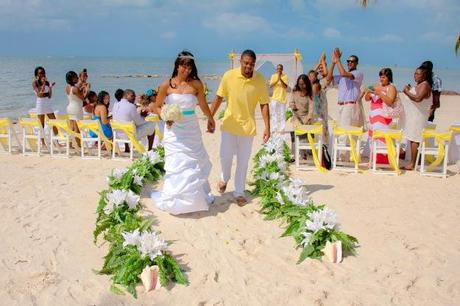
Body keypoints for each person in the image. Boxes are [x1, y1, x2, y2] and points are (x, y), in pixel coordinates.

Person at [150, 51, 215, 215]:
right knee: (176, 163)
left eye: (189, 66)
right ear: (177, 66)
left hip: (191, 128)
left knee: (193, 162)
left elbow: (202, 105)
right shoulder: (166, 85)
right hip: (173, 130)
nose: (186, 70)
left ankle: (195, 199)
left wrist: (210, 118)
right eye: (183, 66)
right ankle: (174, 199)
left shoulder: (197, 85)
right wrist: (165, 115)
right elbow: (156, 106)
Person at [210, 49, 270, 206]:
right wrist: (210, 117)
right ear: (240, 62)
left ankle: (239, 192)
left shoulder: (260, 79)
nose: (248, 66)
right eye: (246, 63)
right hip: (229, 125)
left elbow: (264, 104)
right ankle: (224, 178)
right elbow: (218, 97)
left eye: (251, 64)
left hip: (248, 128)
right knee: (225, 157)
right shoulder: (228, 76)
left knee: (243, 161)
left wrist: (267, 127)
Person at [325, 48, 364, 157]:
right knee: (340, 130)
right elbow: (328, 79)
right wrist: (333, 63)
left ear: (356, 63)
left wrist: (338, 60)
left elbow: (343, 72)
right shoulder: (342, 76)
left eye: (352, 61)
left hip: (350, 105)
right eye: (348, 61)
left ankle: (343, 157)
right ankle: (341, 156)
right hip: (341, 105)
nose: (349, 63)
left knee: (345, 132)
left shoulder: (358, 73)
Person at [400, 65, 432, 170]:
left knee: (415, 139)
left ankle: (413, 163)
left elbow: (418, 98)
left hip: (418, 117)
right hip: (414, 116)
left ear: (424, 75)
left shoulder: (425, 84)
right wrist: (410, 90)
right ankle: (412, 161)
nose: (415, 75)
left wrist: (406, 92)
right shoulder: (419, 84)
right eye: (415, 73)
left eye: (418, 74)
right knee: (412, 138)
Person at [364, 68, 397, 164]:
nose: (381, 79)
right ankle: (373, 159)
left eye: (384, 77)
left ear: (388, 77)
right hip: (373, 116)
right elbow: (367, 99)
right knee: (373, 137)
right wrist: (368, 92)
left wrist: (379, 94)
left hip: (383, 117)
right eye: (380, 76)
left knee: (382, 138)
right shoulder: (376, 86)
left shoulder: (391, 88)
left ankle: (382, 159)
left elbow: (390, 102)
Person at [289, 74, 314, 158]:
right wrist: (293, 106)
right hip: (296, 117)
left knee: (307, 138)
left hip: (306, 118)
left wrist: (308, 119)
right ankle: (296, 154)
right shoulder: (294, 92)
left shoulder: (310, 94)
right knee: (295, 135)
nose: (301, 86)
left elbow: (311, 108)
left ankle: (307, 154)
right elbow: (291, 102)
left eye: (303, 84)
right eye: (300, 84)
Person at [32, 66, 58, 140]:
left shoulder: (47, 82)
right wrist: (43, 84)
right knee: (41, 124)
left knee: (54, 122)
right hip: (40, 104)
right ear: (36, 74)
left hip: (47, 103)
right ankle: (43, 143)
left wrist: (50, 87)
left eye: (43, 72)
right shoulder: (35, 83)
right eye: (40, 73)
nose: (42, 74)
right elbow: (39, 94)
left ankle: (57, 141)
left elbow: (49, 96)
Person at [65, 71, 85, 145]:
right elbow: (83, 98)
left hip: (70, 107)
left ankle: (70, 144)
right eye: (76, 77)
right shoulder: (75, 88)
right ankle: (78, 144)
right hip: (76, 108)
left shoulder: (67, 87)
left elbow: (74, 94)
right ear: (72, 79)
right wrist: (86, 90)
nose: (77, 78)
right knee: (77, 128)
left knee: (72, 127)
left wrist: (80, 88)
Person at [269, 64, 289, 133]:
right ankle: (274, 128)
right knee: (274, 113)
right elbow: (271, 85)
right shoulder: (273, 76)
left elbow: (285, 86)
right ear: (276, 69)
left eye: (280, 69)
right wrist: (277, 79)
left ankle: (282, 128)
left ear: (282, 69)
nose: (279, 70)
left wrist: (280, 79)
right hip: (274, 98)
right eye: (278, 69)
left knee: (282, 114)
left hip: (282, 98)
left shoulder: (285, 76)